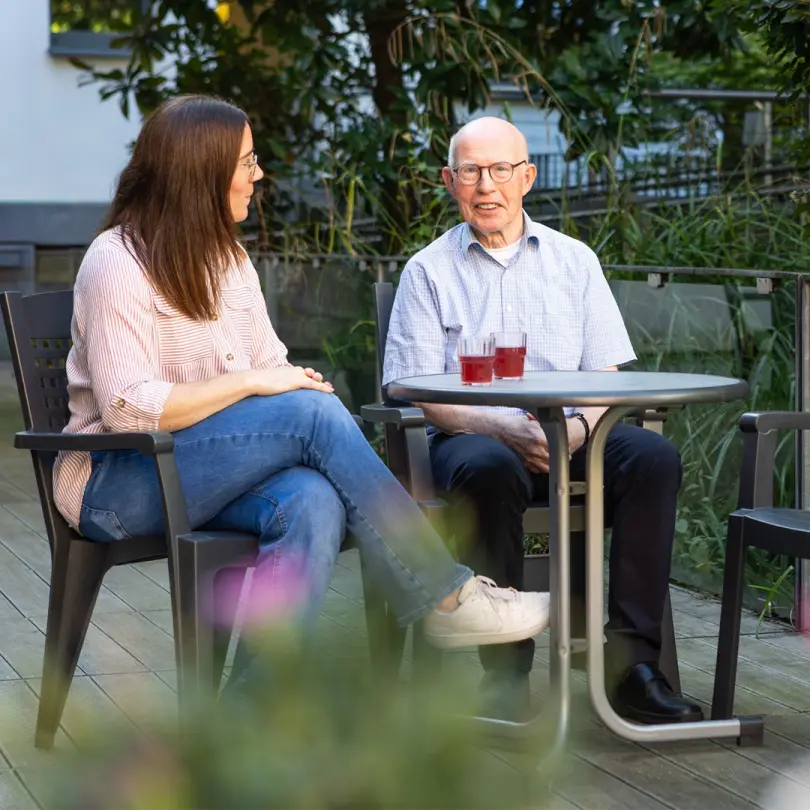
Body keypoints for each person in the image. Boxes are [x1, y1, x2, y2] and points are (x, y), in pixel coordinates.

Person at [53, 96, 552, 689]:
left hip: (208, 471)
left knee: (313, 499)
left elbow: (272, 365)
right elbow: (128, 407)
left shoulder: (228, 259)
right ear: (201, 173)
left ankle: (247, 724)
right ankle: (445, 595)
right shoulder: (117, 262)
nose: (257, 175)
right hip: (120, 482)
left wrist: (285, 384)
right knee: (312, 416)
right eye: (246, 162)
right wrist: (263, 387)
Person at [383, 116, 704, 724]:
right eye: (472, 171)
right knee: (487, 464)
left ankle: (632, 666)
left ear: (526, 177)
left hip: (575, 435)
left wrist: (578, 431)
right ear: (451, 181)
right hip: (473, 440)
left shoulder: (574, 261)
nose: (486, 186)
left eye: (500, 170)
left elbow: (605, 377)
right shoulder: (427, 272)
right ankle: (505, 672)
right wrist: (502, 428)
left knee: (653, 457)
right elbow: (415, 391)